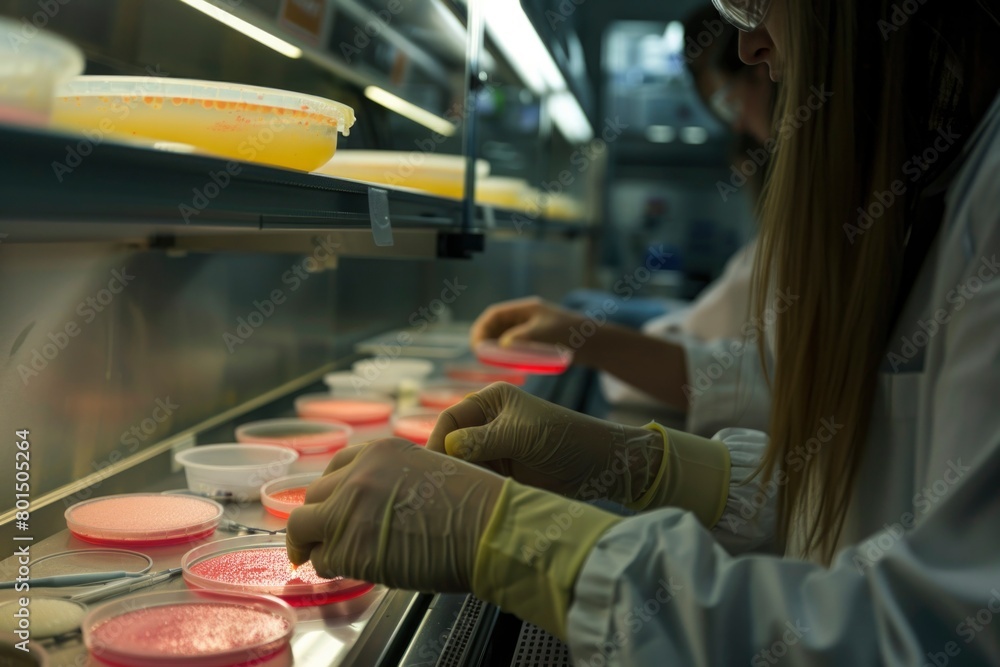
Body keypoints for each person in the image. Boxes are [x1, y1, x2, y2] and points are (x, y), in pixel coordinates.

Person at [287, 0, 1000, 664]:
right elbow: (864, 498)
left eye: (756, 4)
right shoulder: (938, 185)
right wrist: (648, 463)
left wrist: (519, 542)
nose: (750, 43)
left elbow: (926, 631)